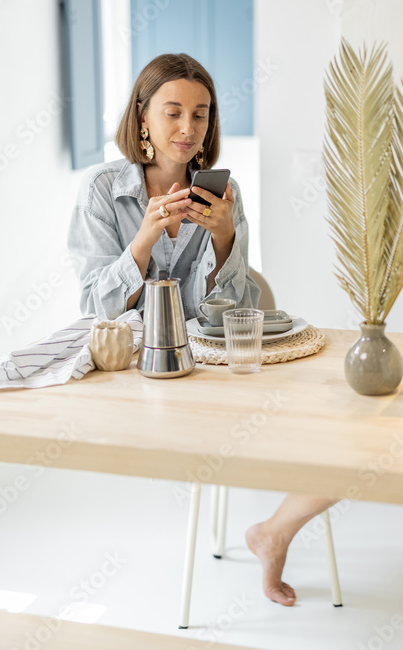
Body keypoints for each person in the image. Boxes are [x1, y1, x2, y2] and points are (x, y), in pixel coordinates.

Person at [66, 53, 339, 606]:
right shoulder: (102, 190)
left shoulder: (224, 193)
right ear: (142, 115)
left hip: (217, 374)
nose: (189, 129)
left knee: (348, 433)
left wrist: (223, 240)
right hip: (143, 384)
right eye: (173, 112)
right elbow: (95, 307)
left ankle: (274, 532)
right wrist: (142, 240)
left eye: (202, 114)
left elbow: (235, 311)